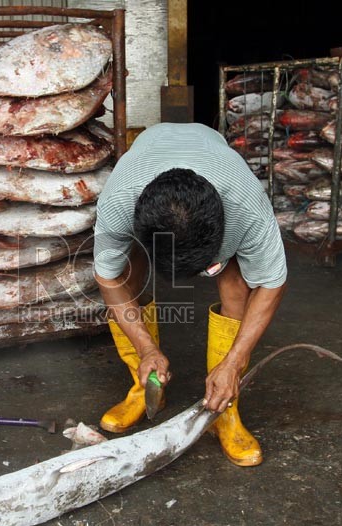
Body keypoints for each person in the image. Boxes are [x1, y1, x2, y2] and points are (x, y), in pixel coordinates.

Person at [93, 122, 287, 466]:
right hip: (148, 155)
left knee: (236, 283)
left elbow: (271, 283)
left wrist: (234, 362)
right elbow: (107, 278)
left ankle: (225, 407)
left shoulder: (247, 205)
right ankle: (144, 388)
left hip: (217, 171)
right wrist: (146, 348)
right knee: (126, 273)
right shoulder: (119, 199)